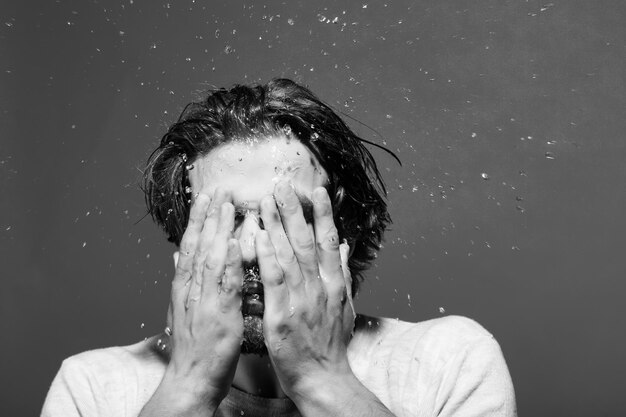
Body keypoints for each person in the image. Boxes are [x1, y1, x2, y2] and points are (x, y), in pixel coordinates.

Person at [41, 78, 517, 416]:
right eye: (223, 220)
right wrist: (188, 388)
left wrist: (321, 379)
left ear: (341, 239)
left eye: (285, 218)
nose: (251, 247)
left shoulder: (447, 361)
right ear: (184, 244)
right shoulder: (95, 389)